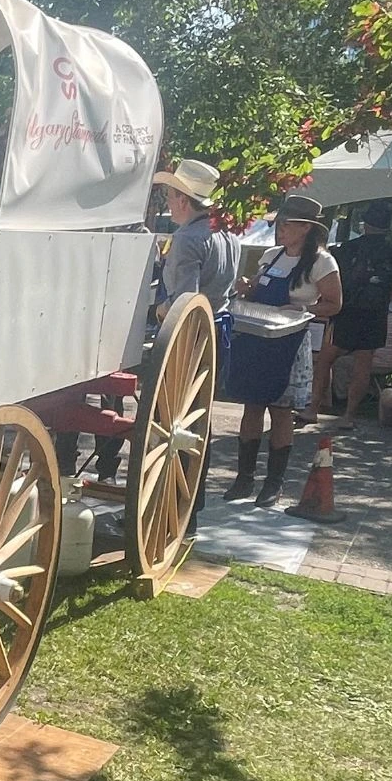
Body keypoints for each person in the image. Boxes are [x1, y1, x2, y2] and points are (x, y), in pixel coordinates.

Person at [223, 195, 342, 507]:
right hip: (258, 337)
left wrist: (303, 308)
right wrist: (248, 287)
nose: (279, 229)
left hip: (290, 342)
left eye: (286, 224)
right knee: (252, 406)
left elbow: (334, 304)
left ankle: (273, 483)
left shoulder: (321, 262)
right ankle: (244, 478)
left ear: (305, 228)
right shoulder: (272, 256)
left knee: (280, 411)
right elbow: (257, 289)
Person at [150, 158, 241, 532]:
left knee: (166, 425)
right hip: (216, 332)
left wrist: (157, 309)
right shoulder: (228, 236)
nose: (168, 203)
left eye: (171, 196)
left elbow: (182, 304)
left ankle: (163, 509)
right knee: (196, 422)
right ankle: (189, 508)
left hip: (187, 338)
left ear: (184, 200)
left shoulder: (188, 239)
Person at [309, 200, 392, 428]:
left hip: (345, 311)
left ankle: (313, 408)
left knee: (325, 360)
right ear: (389, 225)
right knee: (363, 364)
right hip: (374, 314)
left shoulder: (346, 248)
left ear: (365, 224)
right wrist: (382, 304)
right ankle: (349, 416)